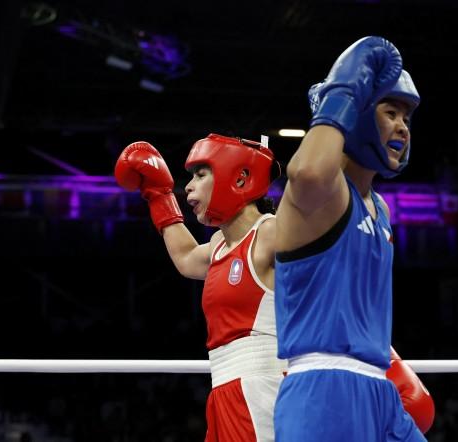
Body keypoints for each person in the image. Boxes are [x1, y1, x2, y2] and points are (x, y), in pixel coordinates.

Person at [273, 35, 431, 441]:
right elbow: (307, 171)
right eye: (390, 111)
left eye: (407, 118)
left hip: (380, 389)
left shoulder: (381, 209)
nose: (402, 127)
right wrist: (345, 89)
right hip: (324, 390)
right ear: (357, 113)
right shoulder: (321, 195)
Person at [114, 133, 286, 442]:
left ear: (240, 177)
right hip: (224, 389)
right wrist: (158, 194)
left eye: (200, 174)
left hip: (263, 389)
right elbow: (186, 258)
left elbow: (323, 242)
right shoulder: (220, 244)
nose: (189, 185)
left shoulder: (271, 232)